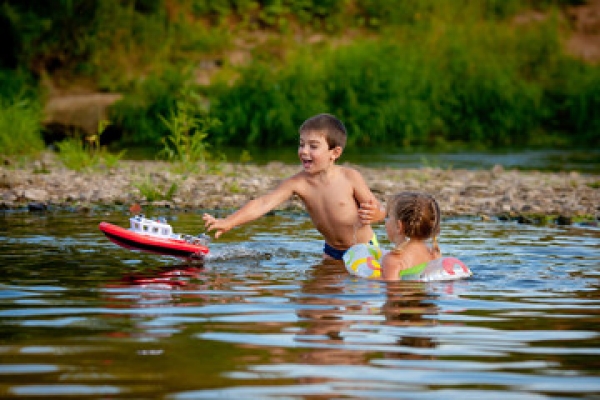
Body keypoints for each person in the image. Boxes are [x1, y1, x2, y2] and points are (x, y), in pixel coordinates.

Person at [202, 113, 385, 260]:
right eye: (301, 144)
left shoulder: (350, 178)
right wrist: (229, 222)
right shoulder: (298, 183)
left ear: (334, 153)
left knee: (359, 300)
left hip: (364, 250)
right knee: (319, 297)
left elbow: (378, 209)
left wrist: (377, 214)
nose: (304, 151)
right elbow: (263, 203)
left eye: (313, 146)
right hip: (332, 252)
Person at [381, 192, 442, 280]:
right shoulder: (434, 255)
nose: (386, 222)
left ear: (399, 226)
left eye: (388, 217)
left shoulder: (393, 260)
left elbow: (393, 290)